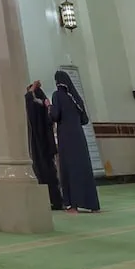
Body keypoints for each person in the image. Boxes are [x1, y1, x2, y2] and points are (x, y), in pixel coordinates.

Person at [49, 70, 99, 212]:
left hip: (66, 136)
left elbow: (55, 115)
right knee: (83, 168)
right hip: (79, 137)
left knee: (69, 169)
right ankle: (92, 205)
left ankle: (72, 205)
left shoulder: (57, 95)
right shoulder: (76, 97)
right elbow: (85, 120)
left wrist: (48, 107)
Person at [24, 81, 63, 210]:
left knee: (44, 172)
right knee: (51, 172)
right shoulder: (45, 105)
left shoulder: (36, 105)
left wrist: (32, 88)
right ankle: (56, 200)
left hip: (40, 145)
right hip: (48, 144)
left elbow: (28, 98)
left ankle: (51, 200)